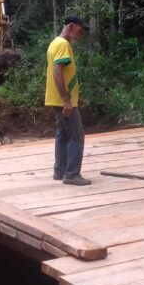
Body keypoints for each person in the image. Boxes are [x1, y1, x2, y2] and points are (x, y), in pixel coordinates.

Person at [45, 15, 91, 186]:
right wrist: (66, 100)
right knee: (76, 135)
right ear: (71, 26)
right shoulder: (63, 45)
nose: (81, 33)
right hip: (63, 100)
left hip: (55, 99)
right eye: (80, 29)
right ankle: (72, 174)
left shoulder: (55, 43)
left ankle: (60, 171)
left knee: (63, 134)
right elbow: (57, 72)